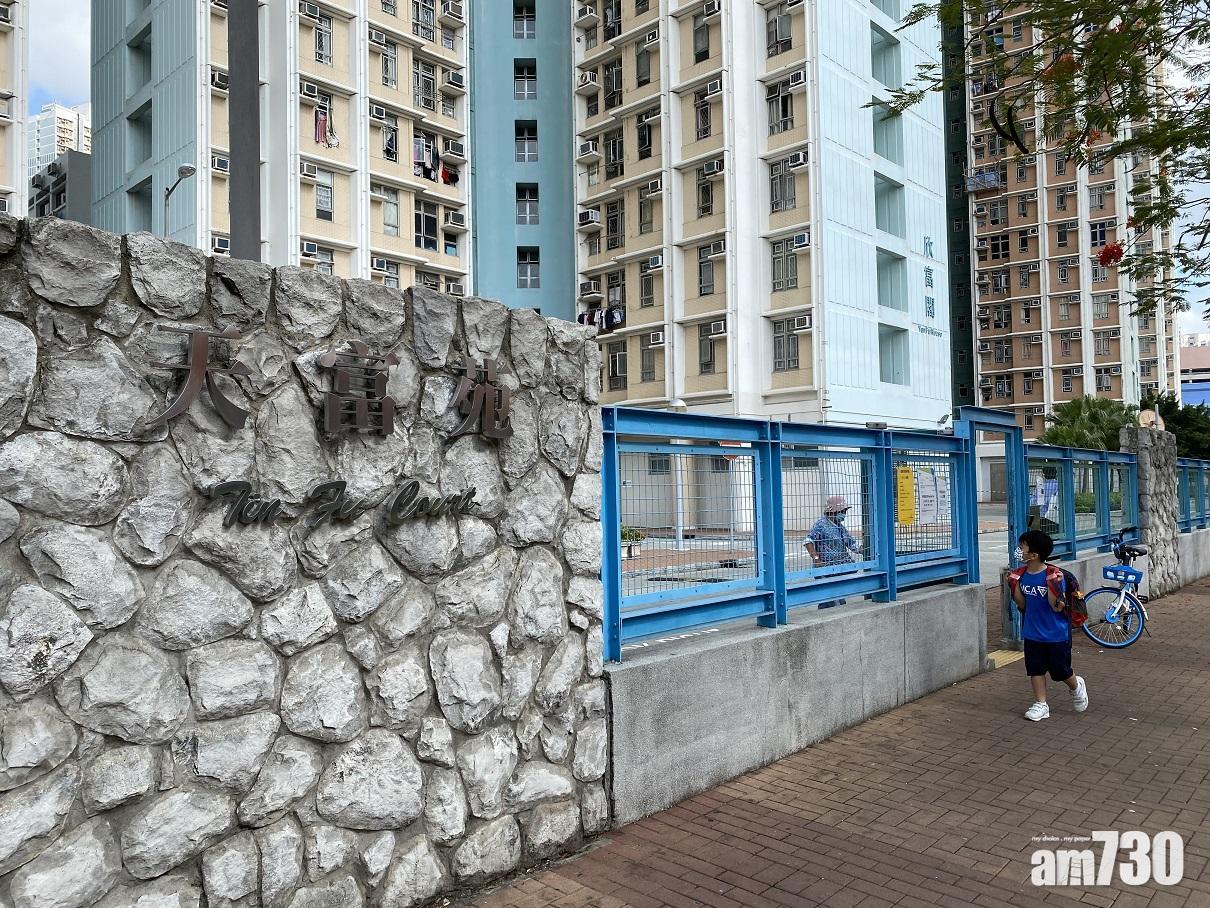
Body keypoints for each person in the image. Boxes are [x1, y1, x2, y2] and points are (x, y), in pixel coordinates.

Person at [1007, 529, 1089, 721]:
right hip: (1032, 632)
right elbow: (1022, 605)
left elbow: (1056, 607)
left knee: (1060, 671)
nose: (1019, 551)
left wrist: (1055, 586)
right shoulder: (1021, 575)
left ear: (1034, 555)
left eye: (1022, 547)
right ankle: (1041, 704)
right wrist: (1013, 585)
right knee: (1035, 669)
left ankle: (1076, 686)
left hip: (1056, 634)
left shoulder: (1053, 576)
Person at [804, 495, 861, 609]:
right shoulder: (821, 525)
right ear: (834, 511)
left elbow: (851, 543)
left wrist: (864, 548)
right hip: (825, 569)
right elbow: (808, 541)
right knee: (830, 599)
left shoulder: (840, 527)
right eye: (842, 511)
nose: (844, 514)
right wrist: (816, 559)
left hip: (838, 568)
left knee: (838, 598)